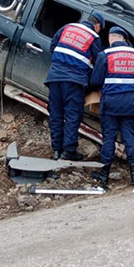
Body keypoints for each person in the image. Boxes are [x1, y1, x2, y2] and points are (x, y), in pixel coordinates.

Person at [89, 27, 134, 189]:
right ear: (124, 39)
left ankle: (104, 176)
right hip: (131, 103)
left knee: (109, 138)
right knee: (129, 137)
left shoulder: (105, 55)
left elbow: (96, 80)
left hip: (111, 104)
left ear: (111, 39)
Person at [45, 11, 105, 161]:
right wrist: (94, 83)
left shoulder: (67, 27)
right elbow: (100, 63)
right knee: (72, 115)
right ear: (97, 26)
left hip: (55, 77)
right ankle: (69, 151)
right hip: (74, 81)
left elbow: (53, 47)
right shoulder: (94, 37)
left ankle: (57, 150)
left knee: (56, 114)